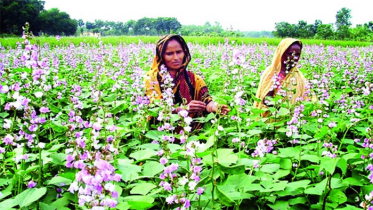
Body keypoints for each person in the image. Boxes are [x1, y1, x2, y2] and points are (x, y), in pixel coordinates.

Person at [145, 34, 229, 130]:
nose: (176, 57)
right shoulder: (152, 79)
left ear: (185, 52)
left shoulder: (193, 79)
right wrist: (182, 109)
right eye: (169, 54)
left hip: (190, 135)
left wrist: (213, 107)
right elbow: (153, 109)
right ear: (161, 55)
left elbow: (206, 99)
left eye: (179, 52)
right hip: (161, 134)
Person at [253, 38, 308, 117]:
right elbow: (265, 100)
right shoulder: (270, 72)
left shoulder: (298, 76)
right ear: (281, 53)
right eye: (290, 54)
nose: (294, 58)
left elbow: (306, 98)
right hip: (270, 118)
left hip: (290, 119)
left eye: (297, 54)